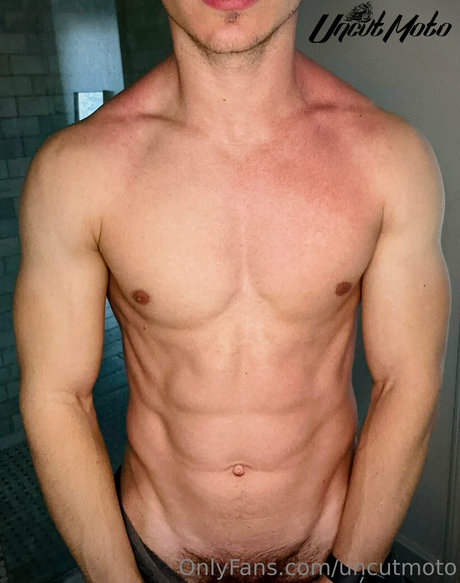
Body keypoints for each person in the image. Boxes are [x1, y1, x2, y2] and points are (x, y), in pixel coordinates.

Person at [13, 0, 451, 581]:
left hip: (333, 551)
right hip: (155, 554)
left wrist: (349, 573)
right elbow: (57, 397)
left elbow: (408, 380)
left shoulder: (391, 158)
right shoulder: (75, 170)